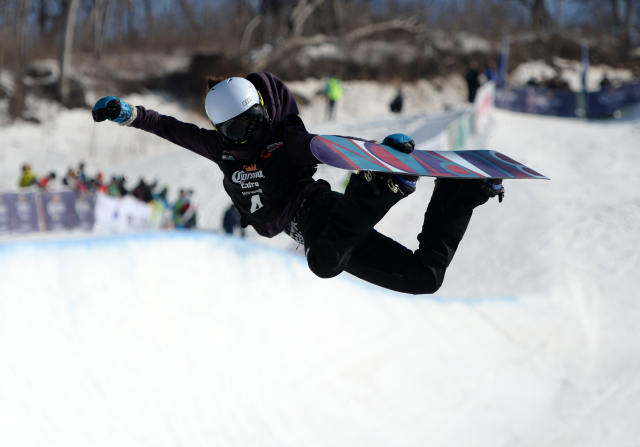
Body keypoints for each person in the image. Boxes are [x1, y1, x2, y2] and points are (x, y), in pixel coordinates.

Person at [92, 72, 504, 295]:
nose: (244, 135)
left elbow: (326, 147)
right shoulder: (221, 149)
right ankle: (460, 193)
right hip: (331, 228)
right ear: (221, 130)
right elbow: (168, 126)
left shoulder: (283, 141)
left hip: (321, 215)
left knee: (323, 262)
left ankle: (383, 186)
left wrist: (379, 153)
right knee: (424, 278)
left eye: (250, 123)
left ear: (262, 112)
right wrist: (127, 113)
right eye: (233, 130)